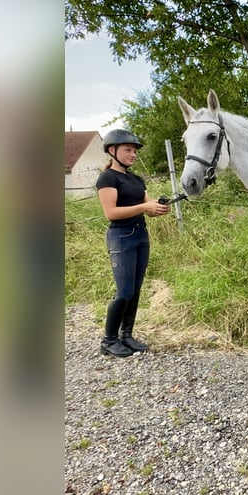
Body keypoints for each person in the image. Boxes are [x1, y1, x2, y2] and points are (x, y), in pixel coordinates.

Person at [95, 129, 170, 357]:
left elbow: (148, 206)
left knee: (135, 290)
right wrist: (144, 207)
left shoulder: (136, 179)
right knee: (124, 291)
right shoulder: (108, 178)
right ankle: (109, 340)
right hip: (121, 236)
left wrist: (157, 207)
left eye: (135, 150)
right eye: (128, 149)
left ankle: (126, 335)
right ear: (112, 150)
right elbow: (111, 213)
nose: (133, 154)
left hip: (140, 235)